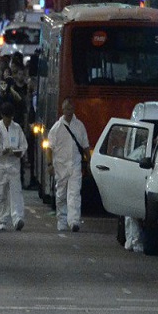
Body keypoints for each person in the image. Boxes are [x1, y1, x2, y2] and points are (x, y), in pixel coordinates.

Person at [47, 98, 90, 232]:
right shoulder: (57, 128)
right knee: (61, 194)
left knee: (74, 193)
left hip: (75, 164)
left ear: (74, 109)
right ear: (63, 110)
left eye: (71, 109)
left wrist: (89, 161)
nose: (69, 112)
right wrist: (49, 164)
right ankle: (62, 220)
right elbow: (49, 147)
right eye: (66, 109)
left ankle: (74, 221)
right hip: (60, 165)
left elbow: (85, 146)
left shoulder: (79, 126)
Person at [0, 102, 28, 231]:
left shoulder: (17, 128)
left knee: (16, 193)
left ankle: (18, 218)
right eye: (6, 117)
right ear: (2, 116)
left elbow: (23, 146)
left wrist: (18, 152)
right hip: (0, 166)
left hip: (14, 165)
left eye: (10, 117)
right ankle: (2, 220)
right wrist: (1, 151)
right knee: (1, 194)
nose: (8, 120)